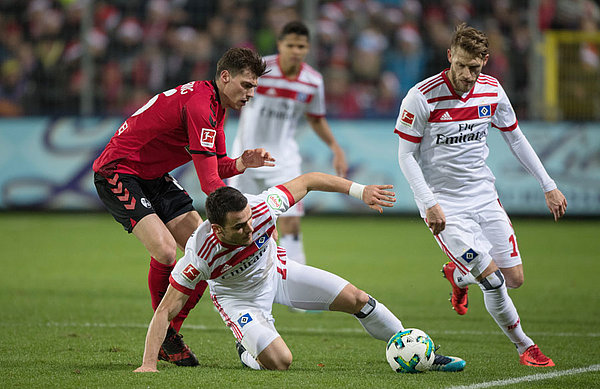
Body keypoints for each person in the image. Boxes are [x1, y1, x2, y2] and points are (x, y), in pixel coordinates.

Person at [133, 172, 466, 372]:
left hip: (277, 273)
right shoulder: (199, 253)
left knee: (358, 299)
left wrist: (358, 190)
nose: (250, 228)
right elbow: (167, 308)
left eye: (250, 220)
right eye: (239, 226)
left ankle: (424, 353)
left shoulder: (262, 208)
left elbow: (308, 180)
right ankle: (247, 348)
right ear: (217, 230)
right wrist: (149, 364)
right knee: (280, 363)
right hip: (239, 300)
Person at [394, 23, 567, 367]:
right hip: (445, 204)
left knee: (515, 278)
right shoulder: (421, 97)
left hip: (484, 196)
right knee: (494, 280)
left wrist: (548, 184)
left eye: (474, 67)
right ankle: (525, 347)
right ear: (449, 57)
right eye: (460, 65)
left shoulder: (492, 91)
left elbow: (515, 138)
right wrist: (429, 203)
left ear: (485, 61)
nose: (466, 74)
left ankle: (458, 274)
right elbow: (405, 156)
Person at [93, 47, 275, 366]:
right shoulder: (201, 106)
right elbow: (209, 185)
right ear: (225, 77)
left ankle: (168, 334)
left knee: (204, 252)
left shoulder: (215, 105)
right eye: (246, 85)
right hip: (118, 170)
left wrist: (241, 163)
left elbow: (217, 167)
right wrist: (249, 215)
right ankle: (165, 334)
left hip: (153, 176)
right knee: (165, 251)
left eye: (255, 88)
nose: (250, 94)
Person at [229, 21, 348, 266]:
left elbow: (315, 119)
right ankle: (235, 280)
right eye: (290, 44)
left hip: (283, 159)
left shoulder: (313, 80)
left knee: (290, 221)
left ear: (307, 48)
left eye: (301, 46)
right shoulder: (261, 69)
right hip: (245, 157)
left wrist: (335, 148)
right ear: (280, 44)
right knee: (237, 222)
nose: (296, 50)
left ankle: (296, 284)